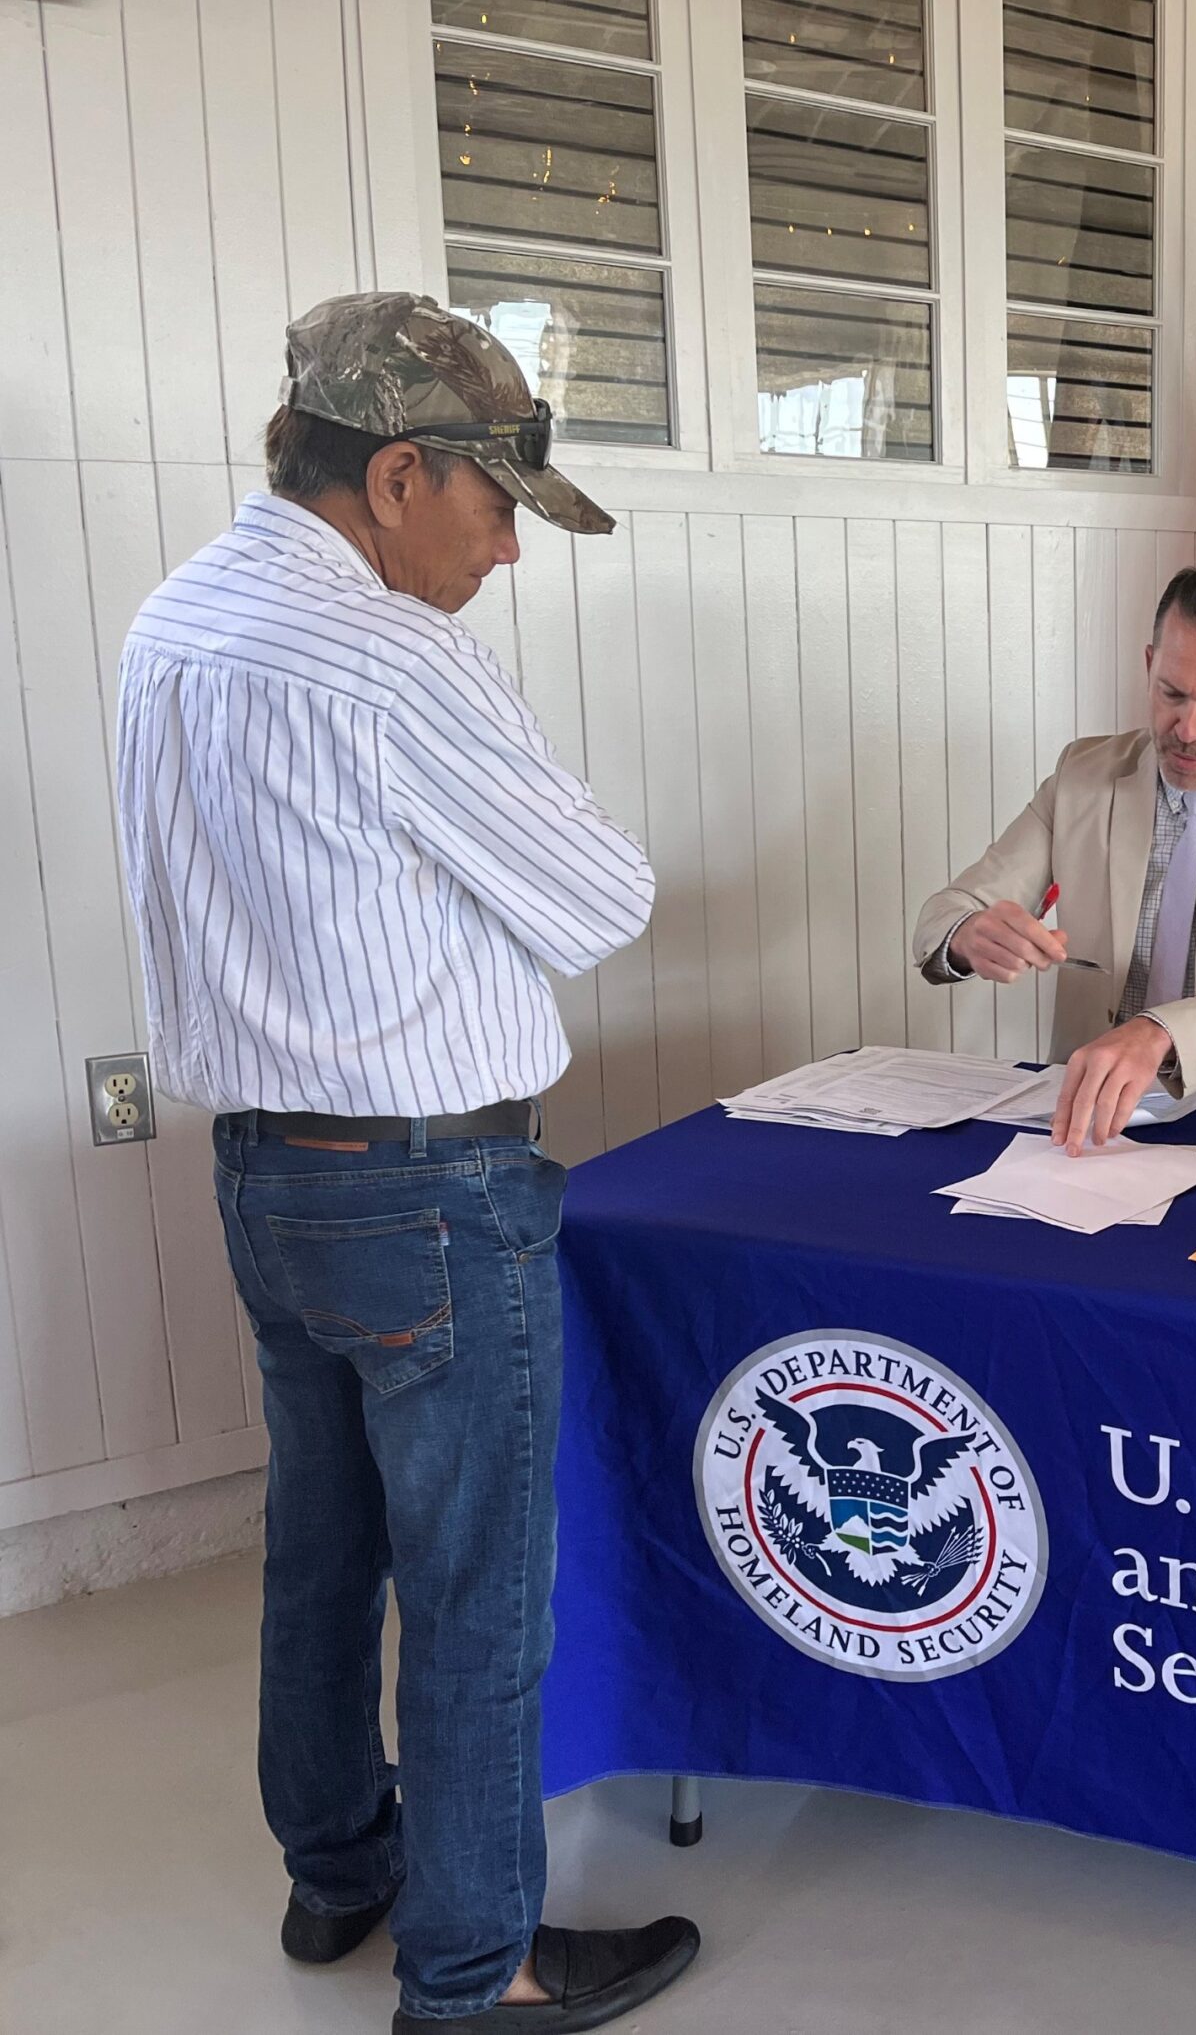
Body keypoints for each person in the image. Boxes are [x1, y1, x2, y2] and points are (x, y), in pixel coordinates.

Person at [113, 294, 699, 2033]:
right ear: (394, 475)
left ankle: (335, 1872)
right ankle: (474, 1971)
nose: (510, 548)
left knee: (324, 1546)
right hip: (433, 1192)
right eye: (499, 503)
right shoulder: (385, 655)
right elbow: (604, 898)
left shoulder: (174, 620)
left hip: (269, 1179)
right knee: (470, 1590)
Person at [912, 565, 1196, 1152]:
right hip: (1096, 1113)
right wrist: (966, 932)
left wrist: (1161, 1032)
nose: (1188, 728)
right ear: (1149, 666)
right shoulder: (1084, 774)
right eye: (1173, 694)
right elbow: (949, 909)